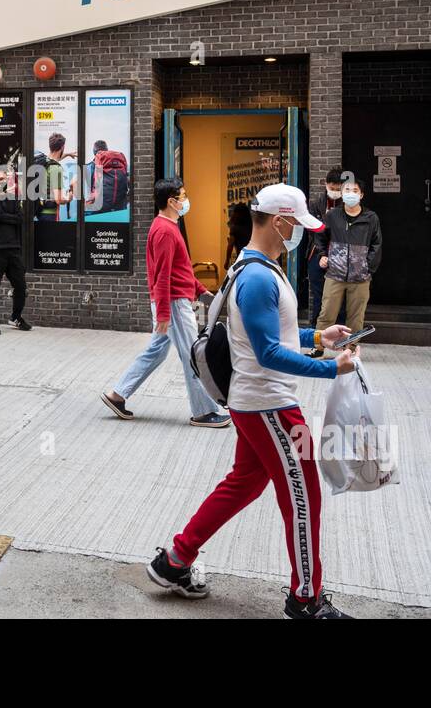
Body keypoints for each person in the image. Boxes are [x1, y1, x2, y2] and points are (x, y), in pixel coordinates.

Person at [145, 183, 358, 619]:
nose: (301, 234)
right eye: (297, 225)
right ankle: (306, 600)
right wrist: (331, 368)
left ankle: (175, 560)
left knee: (245, 482)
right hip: (272, 406)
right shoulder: (261, 277)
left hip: (253, 403)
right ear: (279, 222)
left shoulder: (252, 267)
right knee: (305, 495)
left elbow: (272, 337)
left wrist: (319, 337)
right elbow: (268, 353)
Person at [101, 178, 229, 427]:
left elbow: (179, 271)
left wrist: (202, 290)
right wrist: (162, 314)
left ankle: (117, 395)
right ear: (171, 201)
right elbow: (162, 276)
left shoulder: (168, 227)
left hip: (172, 302)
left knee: (155, 353)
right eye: (183, 195)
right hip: (173, 304)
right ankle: (203, 412)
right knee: (194, 355)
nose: (186, 200)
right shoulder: (165, 231)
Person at [315, 177, 381, 335]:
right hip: (334, 274)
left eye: (355, 191)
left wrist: (367, 268)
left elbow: (376, 244)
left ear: (362, 195)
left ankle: (350, 350)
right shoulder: (332, 215)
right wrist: (323, 255)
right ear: (342, 194)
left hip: (360, 277)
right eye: (347, 190)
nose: (351, 194)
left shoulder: (371, 218)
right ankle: (317, 348)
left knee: (356, 318)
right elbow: (320, 237)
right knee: (326, 315)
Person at [0, 164, 31, 335]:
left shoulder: (12, 198)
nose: (5, 182)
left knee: (21, 286)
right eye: (1, 179)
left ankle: (15, 317)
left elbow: (19, 219)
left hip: (13, 249)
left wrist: (0, 218)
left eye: (5, 179)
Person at [307, 169, 345, 330]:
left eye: (338, 189)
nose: (335, 192)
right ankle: (316, 330)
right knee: (319, 294)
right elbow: (313, 230)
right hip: (317, 253)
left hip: (342, 255)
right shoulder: (316, 204)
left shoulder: (348, 205)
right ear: (326, 184)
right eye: (332, 188)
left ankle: (341, 329)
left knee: (341, 295)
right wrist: (322, 254)